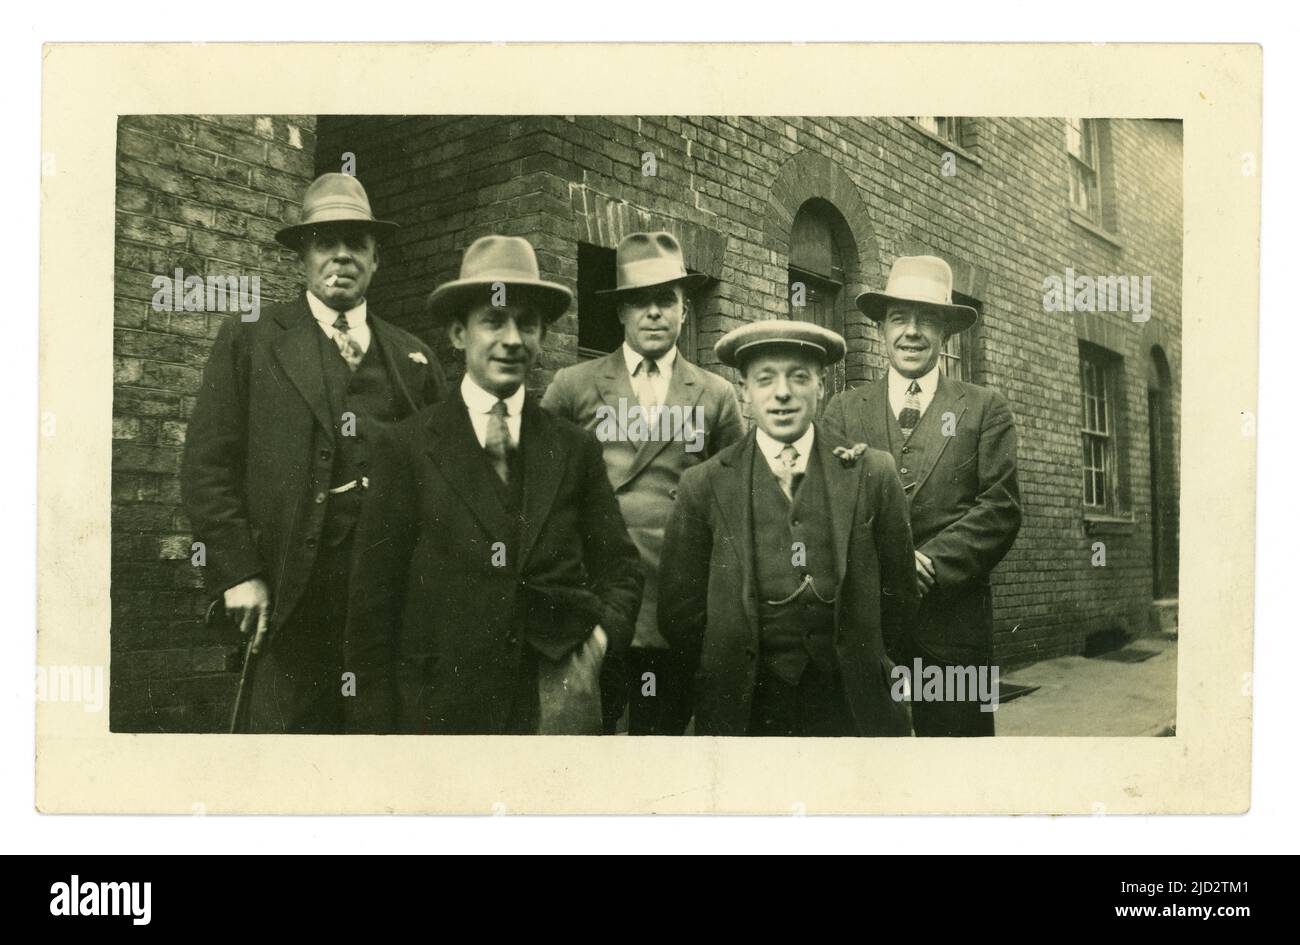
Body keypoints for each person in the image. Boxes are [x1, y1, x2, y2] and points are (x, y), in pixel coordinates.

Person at [181, 172, 447, 733]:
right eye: (327, 242)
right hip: (290, 597)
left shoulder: (414, 359)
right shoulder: (251, 338)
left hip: (387, 604)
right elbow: (208, 466)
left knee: (377, 752)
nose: (342, 256)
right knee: (286, 757)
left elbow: (444, 481)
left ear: (378, 259)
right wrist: (238, 573)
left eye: (357, 243)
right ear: (303, 255)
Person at [346, 235, 643, 735]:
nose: (512, 338)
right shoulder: (408, 447)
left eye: (527, 324)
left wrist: (597, 644)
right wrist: (375, 733)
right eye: (494, 321)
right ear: (458, 334)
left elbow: (621, 567)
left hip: (556, 700)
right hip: (443, 708)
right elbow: (372, 601)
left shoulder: (573, 448)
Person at [659, 320, 917, 737]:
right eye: (765, 379)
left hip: (850, 706)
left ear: (821, 387)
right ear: (744, 391)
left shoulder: (873, 472)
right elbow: (680, 613)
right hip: (746, 707)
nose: (782, 393)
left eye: (799, 377)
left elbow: (900, 598)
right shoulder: (704, 483)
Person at [541, 231, 744, 734]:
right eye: (639, 301)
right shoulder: (575, 385)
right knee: (590, 742)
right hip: (598, 596)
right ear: (620, 313)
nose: (653, 313)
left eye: (665, 300)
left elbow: (736, 499)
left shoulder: (716, 394)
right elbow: (542, 486)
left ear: (684, 311)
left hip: (676, 600)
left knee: (663, 743)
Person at [821, 255, 1021, 736]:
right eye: (898, 318)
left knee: (957, 782)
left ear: (946, 332)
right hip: (869, 637)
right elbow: (825, 506)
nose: (911, 332)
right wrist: (889, 562)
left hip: (953, 635)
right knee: (871, 785)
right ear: (881, 329)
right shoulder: (845, 410)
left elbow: (1000, 509)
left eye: (926, 319)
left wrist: (926, 562)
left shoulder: (984, 409)